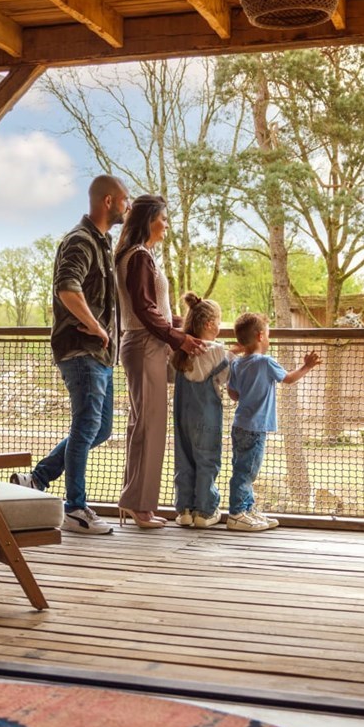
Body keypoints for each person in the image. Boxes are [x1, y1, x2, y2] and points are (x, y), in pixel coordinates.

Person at [10, 175, 130, 535]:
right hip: (81, 350)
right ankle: (75, 508)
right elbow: (67, 288)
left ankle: (37, 479)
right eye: (124, 199)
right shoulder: (80, 240)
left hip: (100, 356)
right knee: (86, 426)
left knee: (100, 428)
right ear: (108, 201)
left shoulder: (102, 243)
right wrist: (96, 327)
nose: (127, 206)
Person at [114, 194, 206, 528]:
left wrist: (184, 326)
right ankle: (140, 507)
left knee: (142, 425)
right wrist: (178, 338)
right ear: (149, 220)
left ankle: (135, 502)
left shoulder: (138, 254)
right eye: (163, 218)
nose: (167, 224)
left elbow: (154, 309)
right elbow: (144, 308)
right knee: (150, 426)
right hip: (145, 345)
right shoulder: (139, 256)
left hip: (145, 344)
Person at [225, 312, 321, 532]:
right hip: (255, 428)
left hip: (240, 425)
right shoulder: (265, 362)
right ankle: (237, 513)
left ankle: (248, 509)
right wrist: (306, 366)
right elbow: (288, 379)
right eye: (268, 335)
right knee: (247, 472)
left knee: (243, 467)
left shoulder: (237, 364)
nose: (268, 339)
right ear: (260, 336)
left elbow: (233, 394)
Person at [170, 293, 229, 528]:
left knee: (184, 458)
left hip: (182, 415)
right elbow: (226, 378)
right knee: (207, 459)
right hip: (207, 417)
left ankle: (185, 509)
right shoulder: (217, 351)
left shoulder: (180, 351)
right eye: (219, 321)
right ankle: (205, 511)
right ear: (210, 324)